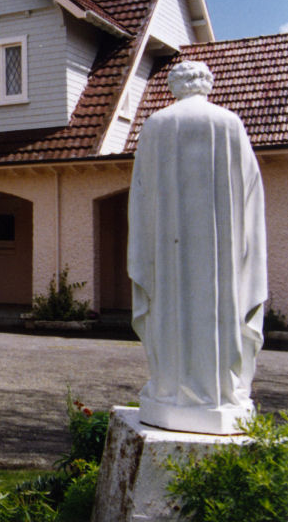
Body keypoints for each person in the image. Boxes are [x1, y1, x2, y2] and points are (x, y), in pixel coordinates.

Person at [127, 60, 266, 434]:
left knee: (170, 311)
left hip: (168, 256)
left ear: (174, 86)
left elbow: (140, 196)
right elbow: (251, 190)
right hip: (222, 254)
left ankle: (170, 389)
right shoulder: (229, 123)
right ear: (207, 84)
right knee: (221, 314)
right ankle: (219, 393)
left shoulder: (156, 125)